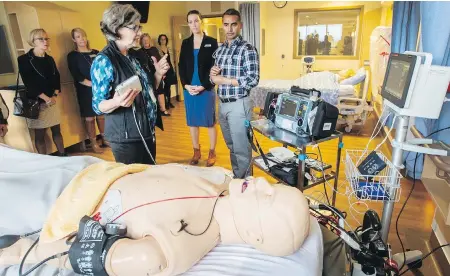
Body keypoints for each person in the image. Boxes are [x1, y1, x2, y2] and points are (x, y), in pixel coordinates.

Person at [0, 144, 310, 276]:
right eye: (275, 186)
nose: (263, 184)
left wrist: (108, 255)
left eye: (270, 198)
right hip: (90, 169)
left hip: (64, 201)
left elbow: (144, 259)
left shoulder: (187, 240)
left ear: (257, 234)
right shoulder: (221, 181)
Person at [91, 4, 170, 165]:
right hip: (126, 138)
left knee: (148, 177)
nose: (140, 33)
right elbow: (97, 105)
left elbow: (147, 89)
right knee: (136, 184)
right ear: (116, 29)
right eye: (135, 28)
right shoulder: (103, 60)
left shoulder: (135, 55)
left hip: (146, 130)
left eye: (139, 27)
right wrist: (116, 102)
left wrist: (158, 74)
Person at [210, 9, 260, 178]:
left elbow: (253, 79)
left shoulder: (247, 49)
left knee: (242, 149)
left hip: (239, 104)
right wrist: (213, 75)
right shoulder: (220, 50)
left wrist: (225, 80)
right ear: (222, 26)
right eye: (226, 24)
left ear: (240, 25)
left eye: (233, 24)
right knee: (232, 146)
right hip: (222, 104)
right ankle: (238, 179)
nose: (230, 29)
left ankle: (246, 185)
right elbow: (214, 78)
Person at [18, 28, 67, 156]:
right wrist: (45, 98)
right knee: (40, 134)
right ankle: (44, 160)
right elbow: (29, 82)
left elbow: (56, 76)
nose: (45, 41)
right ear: (33, 41)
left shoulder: (49, 58)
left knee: (57, 129)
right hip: (37, 102)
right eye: (41, 39)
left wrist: (54, 94)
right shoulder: (24, 59)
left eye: (46, 38)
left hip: (52, 100)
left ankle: (63, 155)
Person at [179, 10, 219, 167]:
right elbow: (181, 66)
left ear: (201, 21)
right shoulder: (185, 43)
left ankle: (212, 152)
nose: (194, 24)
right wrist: (186, 85)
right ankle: (196, 151)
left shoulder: (212, 41)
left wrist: (204, 86)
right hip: (190, 88)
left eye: (196, 20)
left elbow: (215, 67)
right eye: (190, 21)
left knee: (209, 122)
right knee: (193, 122)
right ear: (188, 24)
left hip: (206, 87)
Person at [67, 28, 106, 153]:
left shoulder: (96, 52)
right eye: (78, 37)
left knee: (101, 115)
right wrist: (93, 85)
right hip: (85, 90)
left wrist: (101, 84)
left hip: (99, 89)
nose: (82, 39)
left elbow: (103, 69)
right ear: (74, 39)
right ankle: (94, 143)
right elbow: (76, 75)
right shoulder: (73, 56)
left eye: (83, 36)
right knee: (89, 118)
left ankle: (105, 139)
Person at [139, 33, 170, 116]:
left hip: (157, 72)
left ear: (149, 40)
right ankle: (155, 110)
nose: (146, 41)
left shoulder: (154, 49)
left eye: (147, 39)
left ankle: (163, 109)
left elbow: (160, 60)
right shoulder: (140, 52)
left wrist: (162, 73)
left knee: (160, 91)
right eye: (144, 40)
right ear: (141, 41)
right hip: (148, 75)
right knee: (152, 92)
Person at [158, 34, 177, 110]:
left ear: (166, 40)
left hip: (170, 69)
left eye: (164, 39)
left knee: (168, 87)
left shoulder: (168, 48)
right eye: (161, 39)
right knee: (164, 87)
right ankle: (165, 103)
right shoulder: (158, 49)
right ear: (159, 40)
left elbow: (171, 59)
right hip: (164, 70)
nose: (163, 41)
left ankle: (169, 102)